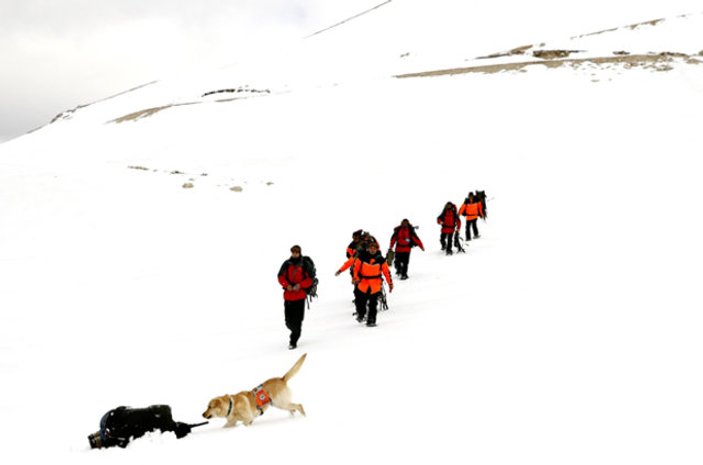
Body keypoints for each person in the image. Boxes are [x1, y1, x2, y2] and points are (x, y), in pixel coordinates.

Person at [335, 241, 393, 327]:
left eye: (374, 248)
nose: (373, 250)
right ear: (368, 249)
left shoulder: (381, 260)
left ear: (377, 249)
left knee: (373, 303)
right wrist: (355, 277)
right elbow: (356, 269)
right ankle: (361, 314)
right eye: (371, 248)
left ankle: (371, 320)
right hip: (363, 283)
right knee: (360, 300)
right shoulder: (361, 258)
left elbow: (386, 272)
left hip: (375, 284)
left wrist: (390, 283)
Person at [277, 245, 314, 349]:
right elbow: (280, 277)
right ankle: (295, 332)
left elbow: (310, 280)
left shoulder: (305, 264)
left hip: (300, 297)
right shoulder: (286, 264)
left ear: (300, 252)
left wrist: (300, 285)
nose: (295, 254)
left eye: (297, 252)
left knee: (297, 321)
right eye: (293, 252)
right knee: (288, 322)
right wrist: (286, 285)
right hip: (288, 297)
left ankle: (293, 341)